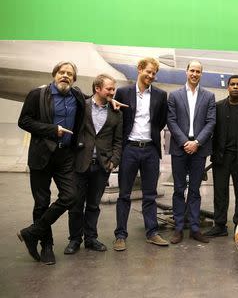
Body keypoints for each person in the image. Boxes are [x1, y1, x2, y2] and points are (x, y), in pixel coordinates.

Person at [17, 61, 86, 265]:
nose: (65, 76)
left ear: (74, 79)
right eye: (62, 72)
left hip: (65, 156)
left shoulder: (78, 96)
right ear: (55, 74)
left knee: (70, 196)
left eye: (69, 74)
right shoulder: (37, 95)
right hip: (41, 155)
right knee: (41, 203)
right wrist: (51, 130)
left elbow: (93, 101)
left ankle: (32, 232)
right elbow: (24, 121)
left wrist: (110, 101)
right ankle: (46, 246)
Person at [113, 57, 168, 251]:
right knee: (124, 194)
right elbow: (117, 120)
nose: (151, 76)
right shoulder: (123, 92)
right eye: (149, 72)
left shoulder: (161, 95)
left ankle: (152, 233)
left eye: (154, 73)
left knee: (150, 195)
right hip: (129, 149)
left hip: (151, 150)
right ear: (139, 69)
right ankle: (120, 235)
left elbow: (160, 122)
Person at [64, 74, 123, 254]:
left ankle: (91, 238)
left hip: (102, 166)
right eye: (109, 89)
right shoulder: (82, 107)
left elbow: (118, 141)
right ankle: (75, 239)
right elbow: (73, 91)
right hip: (80, 163)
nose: (113, 92)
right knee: (75, 205)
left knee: (93, 205)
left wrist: (114, 161)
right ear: (97, 88)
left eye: (114, 89)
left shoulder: (117, 112)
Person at [167, 60, 216, 244]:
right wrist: (184, 142)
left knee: (195, 190)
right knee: (179, 189)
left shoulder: (209, 96)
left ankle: (195, 229)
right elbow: (171, 121)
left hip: (199, 148)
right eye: (192, 70)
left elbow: (211, 122)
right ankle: (178, 228)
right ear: (186, 72)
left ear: (201, 74)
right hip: (180, 149)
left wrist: (196, 142)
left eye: (198, 71)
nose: (195, 74)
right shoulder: (174, 96)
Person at [205, 75, 238, 237]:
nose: (235, 87)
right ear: (227, 87)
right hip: (221, 157)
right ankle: (219, 225)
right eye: (232, 84)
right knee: (220, 192)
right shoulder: (217, 107)